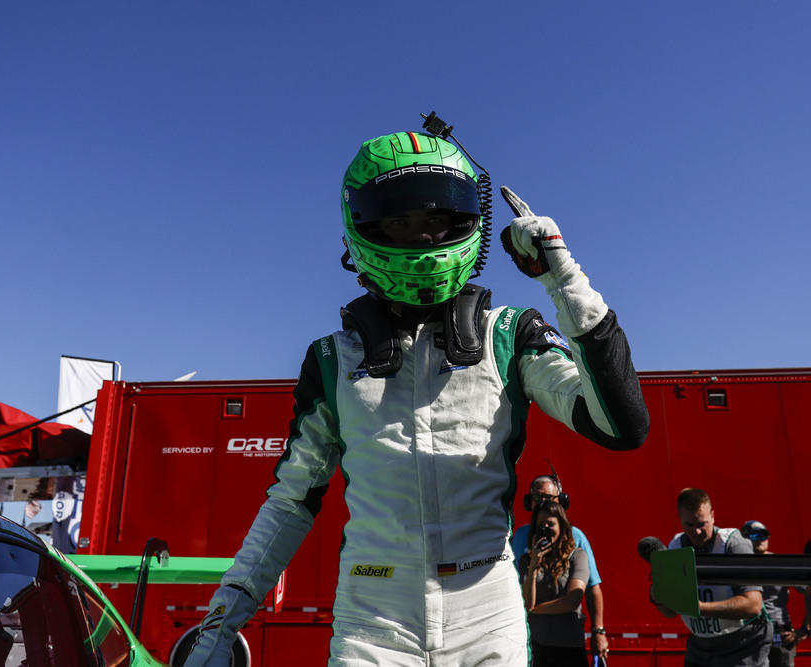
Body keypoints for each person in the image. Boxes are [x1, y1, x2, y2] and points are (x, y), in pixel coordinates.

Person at [185, 119, 649, 666]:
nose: (424, 236)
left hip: (488, 610)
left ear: (465, 220)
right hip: (372, 618)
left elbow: (621, 426)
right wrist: (222, 619)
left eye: (435, 218)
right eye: (400, 220)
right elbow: (291, 501)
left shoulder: (508, 335)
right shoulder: (333, 358)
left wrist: (563, 278)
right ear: (364, 227)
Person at [650, 488, 771, 667]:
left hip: (744, 647)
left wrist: (699, 608)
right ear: (680, 519)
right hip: (700, 649)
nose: (697, 531)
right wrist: (659, 598)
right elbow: (671, 612)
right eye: (689, 525)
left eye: (702, 524)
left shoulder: (733, 544)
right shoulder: (675, 547)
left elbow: (753, 605)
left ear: (712, 516)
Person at [512, 474, 608, 660]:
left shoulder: (576, 539)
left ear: (561, 501)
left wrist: (598, 630)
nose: (543, 502)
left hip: (567, 641)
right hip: (532, 640)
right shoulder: (520, 537)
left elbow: (591, 588)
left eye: (549, 498)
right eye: (537, 497)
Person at [520, 500, 590, 667]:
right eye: (540, 525)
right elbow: (527, 603)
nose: (545, 528)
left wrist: (535, 610)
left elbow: (572, 601)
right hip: (538, 646)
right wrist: (534, 565)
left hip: (569, 647)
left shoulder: (577, 556)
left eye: (550, 524)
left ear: (561, 526)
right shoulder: (526, 561)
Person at [742, 520, 802, 667]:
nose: (760, 539)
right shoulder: (739, 567)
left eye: (763, 535)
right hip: (748, 635)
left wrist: (805, 630)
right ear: (744, 540)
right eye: (754, 536)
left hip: (779, 635)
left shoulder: (780, 564)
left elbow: (809, 590)